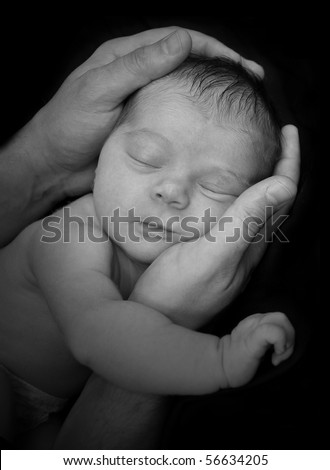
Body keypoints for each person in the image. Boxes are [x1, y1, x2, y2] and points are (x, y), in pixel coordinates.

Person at [0, 52, 298, 449]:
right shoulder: (69, 235)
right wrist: (218, 360)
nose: (172, 192)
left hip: (50, 407)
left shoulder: (195, 256)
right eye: (145, 158)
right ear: (99, 154)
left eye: (215, 187)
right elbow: (96, 331)